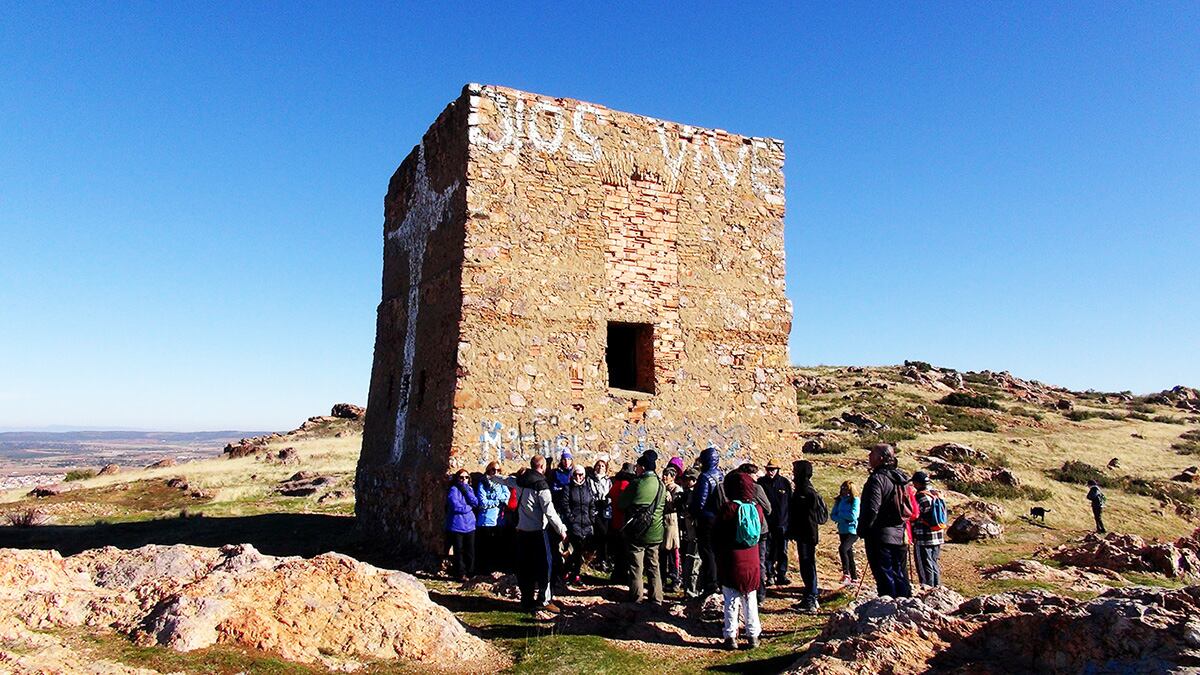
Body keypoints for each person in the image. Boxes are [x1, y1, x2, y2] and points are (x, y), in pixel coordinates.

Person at [501, 456, 568, 615]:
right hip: (538, 532)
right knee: (546, 567)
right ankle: (544, 600)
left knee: (525, 568)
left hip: (522, 532)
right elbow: (549, 512)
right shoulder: (541, 485)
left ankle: (526, 600)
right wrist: (562, 530)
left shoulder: (520, 481)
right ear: (543, 466)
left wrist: (491, 476)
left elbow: (504, 480)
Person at [714, 471, 765, 650]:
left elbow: (717, 534)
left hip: (732, 559)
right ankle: (753, 636)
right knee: (750, 598)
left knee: (731, 599)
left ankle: (730, 636)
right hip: (752, 559)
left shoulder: (728, 509)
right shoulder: (757, 509)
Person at [858, 443, 913, 598]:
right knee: (901, 574)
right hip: (901, 533)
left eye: (872, 453)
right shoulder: (901, 478)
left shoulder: (877, 479)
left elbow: (872, 509)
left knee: (885, 576)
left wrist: (863, 529)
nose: (869, 456)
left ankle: (888, 611)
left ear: (880, 458)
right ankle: (905, 606)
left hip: (880, 535)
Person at [617, 450, 666, 606]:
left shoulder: (637, 484)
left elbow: (621, 503)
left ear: (643, 468)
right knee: (654, 566)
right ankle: (657, 598)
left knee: (636, 567)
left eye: (637, 466)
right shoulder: (661, 485)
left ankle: (636, 597)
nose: (636, 469)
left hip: (638, 531)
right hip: (656, 531)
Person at [787, 460, 827, 611]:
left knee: (808, 565)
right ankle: (810, 596)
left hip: (806, 534)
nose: (793, 473)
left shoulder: (805, 491)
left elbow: (806, 516)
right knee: (807, 565)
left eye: (795, 470)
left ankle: (811, 598)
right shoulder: (803, 489)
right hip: (805, 533)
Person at [689, 445, 724, 596]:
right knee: (716, 552)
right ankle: (718, 582)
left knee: (707, 552)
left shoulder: (705, 477)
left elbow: (700, 502)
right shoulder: (721, 474)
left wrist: (693, 512)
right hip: (719, 517)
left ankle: (711, 584)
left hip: (707, 518)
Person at [556, 464, 596, 586]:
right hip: (574, 525)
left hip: (586, 525)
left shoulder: (587, 488)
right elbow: (565, 505)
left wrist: (592, 518)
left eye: (580, 474)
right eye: (576, 474)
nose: (578, 477)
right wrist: (572, 519)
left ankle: (568, 572)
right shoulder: (568, 488)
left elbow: (592, 504)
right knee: (576, 550)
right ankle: (574, 574)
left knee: (580, 551)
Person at [757, 459, 792, 586]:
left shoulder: (784, 483)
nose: (770, 472)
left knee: (782, 550)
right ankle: (770, 574)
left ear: (778, 470)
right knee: (768, 550)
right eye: (768, 469)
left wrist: (789, 522)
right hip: (767, 523)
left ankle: (782, 574)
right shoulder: (761, 483)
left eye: (773, 469)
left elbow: (790, 503)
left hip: (782, 523)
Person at [475, 461, 510, 574]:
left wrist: (496, 498)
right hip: (486, 520)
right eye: (493, 470)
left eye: (498, 470)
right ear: (488, 470)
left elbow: (507, 497)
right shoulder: (483, 483)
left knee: (497, 548)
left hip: (499, 521)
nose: (495, 472)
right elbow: (483, 502)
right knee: (485, 548)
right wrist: (498, 500)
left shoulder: (502, 483)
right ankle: (483, 572)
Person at [445, 469, 480, 580]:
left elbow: (475, 502)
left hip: (470, 525)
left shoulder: (469, 489)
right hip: (457, 525)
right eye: (461, 477)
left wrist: (466, 491)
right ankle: (461, 573)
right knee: (458, 551)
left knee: (470, 551)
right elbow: (455, 506)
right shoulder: (453, 490)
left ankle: (470, 572)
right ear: (457, 478)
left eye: (466, 477)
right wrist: (468, 507)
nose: (464, 479)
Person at [911, 471, 944, 588]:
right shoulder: (936, 494)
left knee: (924, 563)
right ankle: (937, 588)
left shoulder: (920, 496)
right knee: (934, 562)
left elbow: (914, 515)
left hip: (923, 535)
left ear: (918, 483)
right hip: (937, 533)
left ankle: (927, 587)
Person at [608, 463, 636, 584]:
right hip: (623, 522)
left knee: (619, 552)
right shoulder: (625, 484)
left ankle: (617, 575)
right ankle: (622, 577)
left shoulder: (616, 483)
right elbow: (624, 504)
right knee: (624, 553)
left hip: (615, 521)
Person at [829, 481, 861, 585]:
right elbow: (833, 515)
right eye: (842, 488)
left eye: (846, 489)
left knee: (843, 549)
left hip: (853, 531)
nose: (844, 491)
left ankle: (846, 574)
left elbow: (853, 516)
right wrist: (843, 518)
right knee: (849, 552)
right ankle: (854, 577)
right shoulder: (839, 500)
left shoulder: (855, 500)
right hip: (842, 529)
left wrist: (840, 515)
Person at [661, 463, 684, 590]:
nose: (664, 477)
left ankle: (675, 579)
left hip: (671, 522)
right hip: (663, 522)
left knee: (672, 550)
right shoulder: (663, 488)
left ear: (672, 477)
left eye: (667, 475)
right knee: (663, 551)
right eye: (664, 474)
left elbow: (675, 506)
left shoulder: (676, 489)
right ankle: (663, 578)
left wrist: (668, 498)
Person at [587, 459, 613, 571]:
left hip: (606, 509)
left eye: (602, 466)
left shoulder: (608, 481)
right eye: (598, 465)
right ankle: (601, 559)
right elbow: (589, 493)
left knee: (605, 535)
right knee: (600, 533)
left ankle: (604, 559)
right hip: (595, 509)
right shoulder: (590, 480)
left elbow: (610, 493)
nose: (600, 468)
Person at [679, 467, 701, 597]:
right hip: (691, 533)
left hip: (695, 533)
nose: (683, 482)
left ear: (693, 480)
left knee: (694, 563)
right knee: (690, 562)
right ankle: (690, 590)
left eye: (686, 480)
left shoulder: (696, 494)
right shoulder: (689, 493)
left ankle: (692, 592)